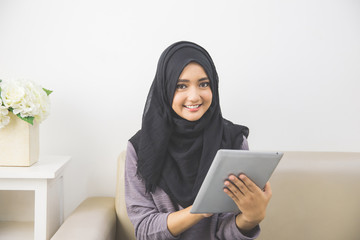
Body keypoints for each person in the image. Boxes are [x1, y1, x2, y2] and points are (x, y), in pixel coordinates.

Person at [125, 41, 272, 240]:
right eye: (181, 86)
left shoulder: (233, 142)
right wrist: (200, 210)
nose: (194, 96)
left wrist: (251, 218)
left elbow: (224, 233)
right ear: (165, 88)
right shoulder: (141, 148)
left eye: (203, 84)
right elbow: (144, 230)